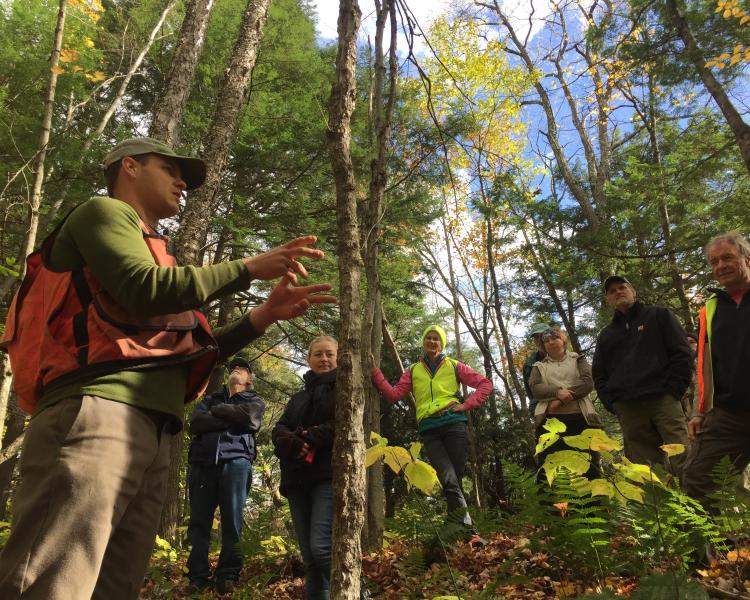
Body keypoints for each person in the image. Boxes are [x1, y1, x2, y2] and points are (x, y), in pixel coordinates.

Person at [0, 137, 335, 599]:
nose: (183, 183)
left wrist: (265, 316)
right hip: (96, 412)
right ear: (130, 167)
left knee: (115, 585)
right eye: (170, 169)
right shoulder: (104, 214)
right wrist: (249, 268)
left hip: (153, 430)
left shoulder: (159, 252)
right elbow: (144, 288)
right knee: (53, 577)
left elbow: (192, 350)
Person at [371, 324, 493, 527]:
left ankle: (454, 528)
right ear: (424, 342)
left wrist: (466, 405)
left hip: (454, 424)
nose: (432, 341)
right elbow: (393, 395)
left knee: (455, 479)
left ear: (442, 343)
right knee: (447, 477)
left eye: (437, 338)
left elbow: (485, 384)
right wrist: (374, 371)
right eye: (429, 337)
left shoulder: (454, 365)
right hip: (430, 429)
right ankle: (468, 529)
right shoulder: (413, 370)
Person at [592, 275, 692, 476]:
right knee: (644, 468)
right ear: (608, 300)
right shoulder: (606, 335)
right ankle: (658, 507)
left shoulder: (659, 316)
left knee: (683, 455)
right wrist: (613, 403)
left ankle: (699, 505)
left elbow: (682, 353)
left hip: (664, 399)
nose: (618, 292)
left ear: (633, 291)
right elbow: (599, 374)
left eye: (622, 287)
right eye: (612, 291)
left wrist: (674, 389)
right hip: (629, 408)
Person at [186, 356, 265, 593]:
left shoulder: (255, 400)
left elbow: (251, 421)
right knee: (199, 523)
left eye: (242, 369)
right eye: (233, 367)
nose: (237, 369)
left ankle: (228, 574)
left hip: (237, 463)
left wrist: (219, 412)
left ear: (249, 380)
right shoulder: (210, 399)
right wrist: (231, 417)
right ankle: (197, 578)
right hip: (202, 463)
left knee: (232, 521)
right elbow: (196, 423)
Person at [683, 232, 750, 506]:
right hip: (728, 414)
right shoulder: (710, 309)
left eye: (727, 258)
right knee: (697, 476)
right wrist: (700, 412)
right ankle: (716, 547)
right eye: (713, 262)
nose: (720, 266)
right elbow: (704, 365)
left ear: (747, 259)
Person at [271, 336, 340, 600]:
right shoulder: (298, 398)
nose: (324, 359)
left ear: (338, 357)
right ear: (309, 359)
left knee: (322, 548)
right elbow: (279, 429)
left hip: (326, 475)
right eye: (318, 354)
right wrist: (290, 442)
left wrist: (308, 436)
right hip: (296, 480)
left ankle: (359, 594)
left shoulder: (343, 389)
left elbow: (341, 424)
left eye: (329, 354)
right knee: (310, 558)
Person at [530, 327, 602, 479]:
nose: (551, 342)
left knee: (588, 465)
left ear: (563, 340)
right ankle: (555, 503)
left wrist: (560, 399)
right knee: (551, 468)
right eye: (546, 341)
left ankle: (594, 502)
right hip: (550, 423)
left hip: (582, 420)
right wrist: (557, 392)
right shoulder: (539, 366)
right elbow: (535, 389)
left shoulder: (578, 359)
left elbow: (588, 383)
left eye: (554, 338)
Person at [523, 322, 551, 415]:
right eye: (536, 337)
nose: (539, 340)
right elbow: (531, 390)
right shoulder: (530, 363)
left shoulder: (566, 356)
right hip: (541, 408)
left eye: (542, 336)